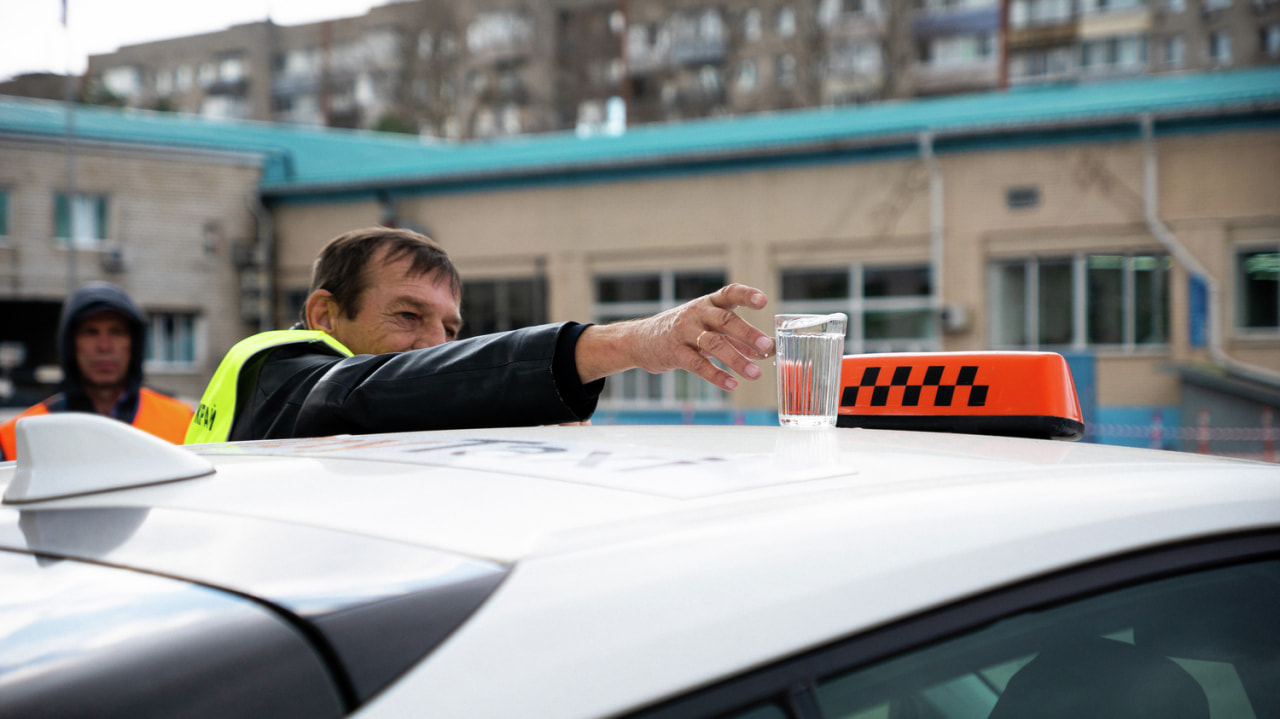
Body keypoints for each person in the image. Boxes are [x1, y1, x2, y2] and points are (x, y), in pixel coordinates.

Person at [186, 227, 775, 443]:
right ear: (324, 316)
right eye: (407, 316)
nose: (434, 345)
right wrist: (622, 345)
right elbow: (363, 392)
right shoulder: (277, 372)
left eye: (449, 328)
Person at [0, 282, 194, 461]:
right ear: (71, 345)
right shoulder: (18, 436)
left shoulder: (185, 422)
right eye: (90, 332)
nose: (104, 346)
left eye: (116, 332)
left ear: (133, 344)